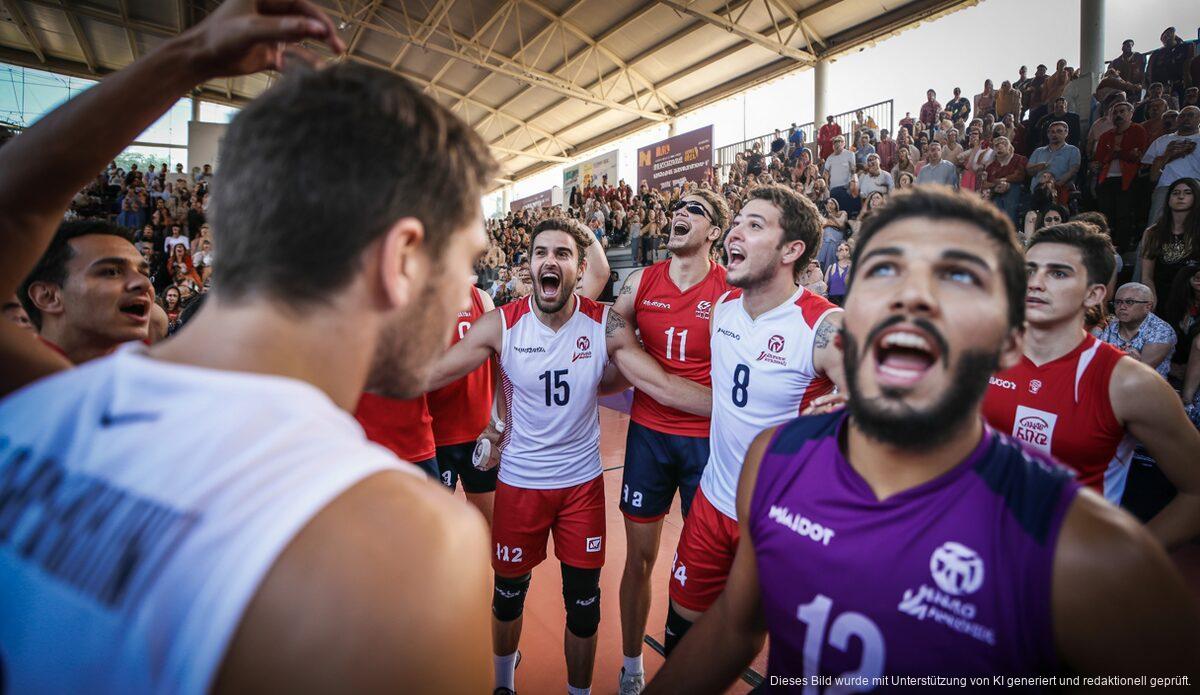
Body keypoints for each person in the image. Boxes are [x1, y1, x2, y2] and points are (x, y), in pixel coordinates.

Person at [0, 2, 500, 691]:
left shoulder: (34, 394)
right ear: (405, 257)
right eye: (468, 259)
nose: (468, 287)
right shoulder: (405, 548)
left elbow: (15, 209)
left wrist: (189, 57)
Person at [644, 188, 1200, 695]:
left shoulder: (1095, 555)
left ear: (1010, 342)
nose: (911, 298)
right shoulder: (778, 457)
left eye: (957, 278)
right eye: (884, 270)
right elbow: (734, 632)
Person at [423, 218, 711, 695]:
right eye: (540, 253)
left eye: (562, 254)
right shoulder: (502, 323)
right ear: (530, 265)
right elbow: (435, 372)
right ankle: (503, 685)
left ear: (580, 269)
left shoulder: (604, 324)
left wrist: (743, 411)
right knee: (508, 595)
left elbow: (658, 383)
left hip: (580, 486)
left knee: (583, 604)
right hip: (518, 482)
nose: (549, 261)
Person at [663, 185, 845, 657]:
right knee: (679, 636)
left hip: (780, 521)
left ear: (792, 250)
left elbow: (873, 396)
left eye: (755, 225)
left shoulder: (824, 327)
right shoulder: (723, 308)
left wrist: (853, 404)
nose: (735, 233)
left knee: (770, 648)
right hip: (712, 501)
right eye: (737, 222)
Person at [982, 223, 1200, 547]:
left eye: (1058, 274)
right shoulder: (979, 357)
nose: (1035, 284)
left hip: (1063, 573)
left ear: (1094, 294)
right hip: (969, 555)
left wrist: (1127, 559)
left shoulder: (1129, 382)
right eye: (1029, 270)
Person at [609, 189, 731, 695]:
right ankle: (633, 663)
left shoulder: (730, 290)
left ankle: (693, 671)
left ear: (715, 233)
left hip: (707, 447)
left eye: (695, 209)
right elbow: (616, 338)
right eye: (677, 207)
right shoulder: (641, 281)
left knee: (705, 570)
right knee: (639, 559)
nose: (680, 212)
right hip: (649, 438)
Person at [17, 221, 153, 365]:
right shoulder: (15, 381)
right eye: (111, 272)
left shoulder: (155, 372)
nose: (145, 284)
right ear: (48, 297)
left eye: (144, 273)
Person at [1093, 102, 1147, 252]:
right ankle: (1105, 246)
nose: (1118, 115)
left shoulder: (1138, 130)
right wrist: (1120, 153)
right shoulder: (1106, 136)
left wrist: (1118, 153)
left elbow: (1138, 155)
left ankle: (1122, 249)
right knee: (1105, 214)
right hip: (1106, 178)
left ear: (1131, 113)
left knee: (1124, 214)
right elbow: (1099, 158)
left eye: (1122, 111)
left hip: (1127, 179)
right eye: (1115, 112)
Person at [1098, 282, 1177, 378]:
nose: (1122, 307)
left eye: (1129, 302)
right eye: (1118, 302)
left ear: (1148, 306)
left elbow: (1140, 373)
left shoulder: (1162, 331)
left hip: (1145, 388)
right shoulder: (1110, 325)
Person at [1141, 178, 1200, 304]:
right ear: (1168, 199)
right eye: (1176, 193)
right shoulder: (1152, 233)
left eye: (1188, 192)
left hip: (1192, 298)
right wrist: (1151, 300)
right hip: (1160, 296)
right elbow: (1146, 277)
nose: (1181, 196)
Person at [1143, 106, 1200, 229]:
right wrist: (1168, 155)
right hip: (1165, 187)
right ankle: (1148, 249)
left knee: (1192, 229)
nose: (1185, 118)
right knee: (1155, 227)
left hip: (1195, 187)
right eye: (1182, 116)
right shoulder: (1162, 141)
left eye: (1190, 115)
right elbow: (1151, 175)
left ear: (1199, 118)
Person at [1026, 122, 1081, 206]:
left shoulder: (1073, 150)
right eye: (1052, 132)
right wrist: (1038, 167)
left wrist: (1054, 186)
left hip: (1060, 192)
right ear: (1048, 134)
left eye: (1059, 131)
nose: (1055, 134)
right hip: (1036, 193)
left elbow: (1073, 171)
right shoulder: (1038, 151)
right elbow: (1029, 171)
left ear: (1066, 133)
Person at [984, 136, 1027, 227]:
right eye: (996, 145)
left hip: (1016, 191)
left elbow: (1019, 175)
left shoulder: (1019, 159)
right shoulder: (991, 166)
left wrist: (1004, 180)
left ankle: (1010, 230)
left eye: (1003, 144)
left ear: (1009, 147)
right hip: (995, 192)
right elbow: (985, 184)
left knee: (1011, 195)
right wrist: (996, 185)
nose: (999, 146)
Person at [822, 135, 856, 212]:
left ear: (844, 143)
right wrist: (827, 185)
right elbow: (826, 172)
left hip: (845, 188)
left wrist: (852, 184)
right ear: (833, 145)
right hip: (833, 189)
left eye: (840, 141)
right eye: (835, 142)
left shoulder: (850, 154)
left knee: (846, 211)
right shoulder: (830, 157)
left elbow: (853, 170)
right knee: (835, 211)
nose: (837, 143)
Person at [816, 198, 846, 270]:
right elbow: (820, 227)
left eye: (832, 203)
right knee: (827, 240)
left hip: (838, 234)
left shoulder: (842, 213)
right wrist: (828, 224)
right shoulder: (823, 215)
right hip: (826, 237)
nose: (830, 205)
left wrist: (831, 217)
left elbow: (841, 225)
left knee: (829, 240)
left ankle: (824, 266)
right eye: (828, 203)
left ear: (836, 204)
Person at [823, 241, 851, 306]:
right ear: (836, 253)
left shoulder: (853, 268)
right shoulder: (830, 267)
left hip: (847, 304)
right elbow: (824, 289)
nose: (844, 251)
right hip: (831, 305)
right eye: (841, 249)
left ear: (849, 253)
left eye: (846, 249)